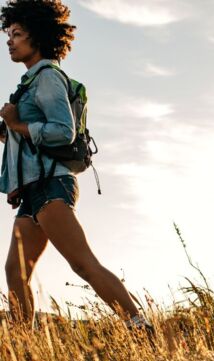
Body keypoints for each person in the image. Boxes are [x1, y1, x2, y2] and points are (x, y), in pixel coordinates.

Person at [0, 0, 149, 329]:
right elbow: (23, 134)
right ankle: (26, 348)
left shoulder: (48, 78)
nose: (9, 40)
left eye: (17, 33)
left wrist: (19, 125)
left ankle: (141, 329)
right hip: (32, 191)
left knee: (82, 264)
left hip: (52, 184)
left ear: (37, 37)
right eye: (8, 34)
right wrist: (9, 127)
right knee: (15, 271)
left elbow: (63, 131)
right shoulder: (27, 85)